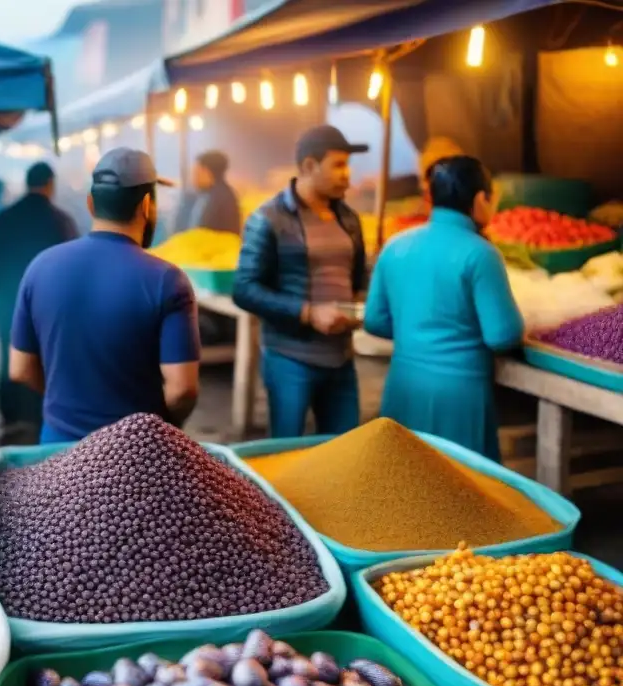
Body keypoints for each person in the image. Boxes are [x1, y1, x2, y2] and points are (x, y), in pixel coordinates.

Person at [10, 148, 201, 444]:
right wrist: (160, 428)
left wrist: (69, 404)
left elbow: (20, 369)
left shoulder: (40, 266)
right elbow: (181, 389)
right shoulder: (167, 280)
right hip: (135, 457)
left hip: (58, 450)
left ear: (90, 203)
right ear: (148, 205)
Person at [364, 156, 524, 461]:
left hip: (404, 385)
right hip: (460, 394)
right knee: (459, 490)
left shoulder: (395, 246)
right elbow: (502, 335)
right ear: (480, 199)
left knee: (404, 480)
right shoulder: (480, 254)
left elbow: (374, 320)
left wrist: (415, 331)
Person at [233, 125, 368, 438]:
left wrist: (360, 306)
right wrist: (308, 313)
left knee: (346, 453)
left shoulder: (349, 218)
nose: (347, 175)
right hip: (290, 361)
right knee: (286, 454)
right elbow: (244, 289)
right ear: (309, 166)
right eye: (338, 165)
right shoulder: (268, 219)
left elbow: (359, 276)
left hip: (342, 358)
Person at [0, 162, 79, 439]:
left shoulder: (2, 218)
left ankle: (10, 414)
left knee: (8, 355)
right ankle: (38, 417)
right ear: (50, 184)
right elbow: (72, 269)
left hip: (8, 302)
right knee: (46, 358)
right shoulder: (61, 220)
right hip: (48, 307)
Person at [175, 150, 243, 234]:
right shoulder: (209, 194)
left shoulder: (221, 198)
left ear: (206, 172)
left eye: (196, 174)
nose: (193, 179)